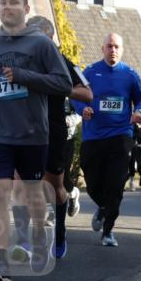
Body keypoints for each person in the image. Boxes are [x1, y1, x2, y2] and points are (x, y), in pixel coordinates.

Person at [0, 0, 73, 281]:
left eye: (14, 2)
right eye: (3, 2)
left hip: (33, 134)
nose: (7, 7)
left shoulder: (41, 44)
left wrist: (23, 76)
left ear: (26, 8)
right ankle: (1, 262)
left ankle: (39, 237)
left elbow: (63, 83)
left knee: (33, 195)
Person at [73, 33, 141, 246]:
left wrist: (140, 112)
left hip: (121, 135)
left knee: (115, 186)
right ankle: (103, 207)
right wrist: (82, 108)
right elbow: (76, 95)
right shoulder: (90, 72)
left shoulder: (130, 74)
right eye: (109, 46)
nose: (113, 50)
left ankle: (108, 232)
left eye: (116, 46)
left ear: (121, 50)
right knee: (93, 183)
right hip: (93, 136)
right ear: (102, 49)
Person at [27, 15, 92, 258]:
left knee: (54, 187)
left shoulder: (62, 62)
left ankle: (60, 232)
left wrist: (57, 86)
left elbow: (87, 94)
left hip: (53, 130)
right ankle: (32, 238)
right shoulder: (18, 59)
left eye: (38, 38)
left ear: (50, 39)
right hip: (23, 130)